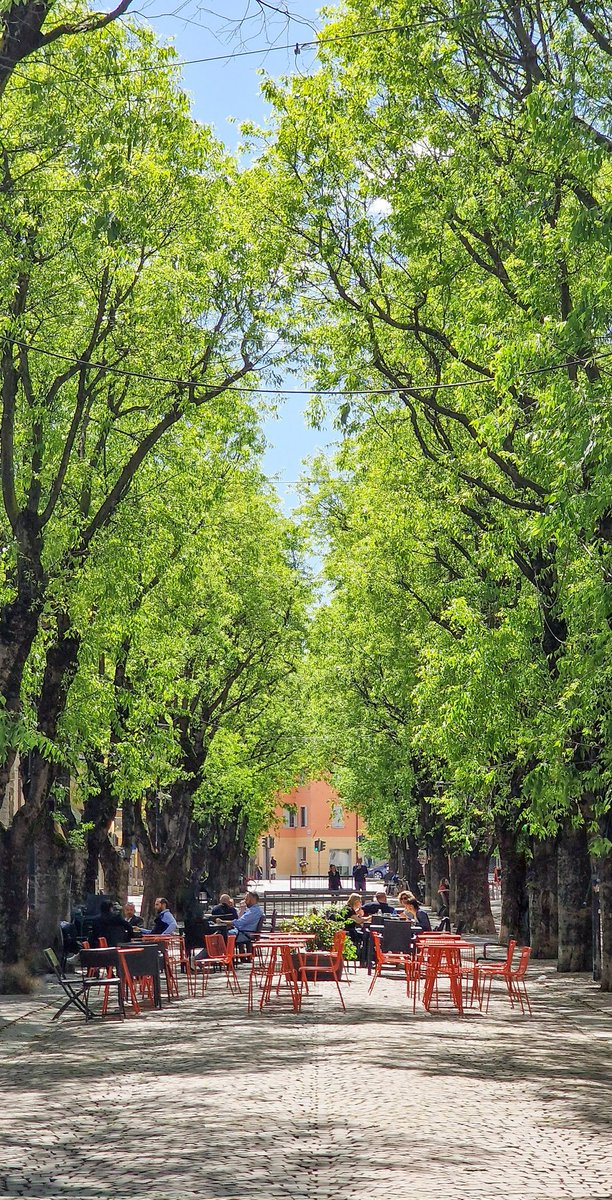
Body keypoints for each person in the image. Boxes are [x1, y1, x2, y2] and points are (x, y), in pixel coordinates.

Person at [341, 892, 371, 964]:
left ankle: (364, 957)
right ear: (356, 901)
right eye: (360, 901)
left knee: (364, 934)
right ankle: (364, 958)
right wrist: (370, 917)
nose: (361, 903)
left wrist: (359, 915)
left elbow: (356, 919)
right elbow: (359, 921)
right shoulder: (349, 910)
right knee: (367, 936)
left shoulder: (347, 908)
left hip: (346, 930)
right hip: (349, 932)